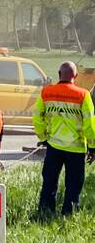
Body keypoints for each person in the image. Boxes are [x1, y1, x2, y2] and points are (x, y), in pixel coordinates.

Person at [32, 62, 95, 216]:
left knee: (49, 182)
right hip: (76, 148)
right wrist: (93, 147)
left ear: (59, 74)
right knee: (73, 185)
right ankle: (68, 213)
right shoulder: (83, 95)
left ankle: (45, 212)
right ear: (76, 76)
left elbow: (37, 118)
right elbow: (89, 124)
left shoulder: (46, 93)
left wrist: (43, 137)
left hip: (54, 146)